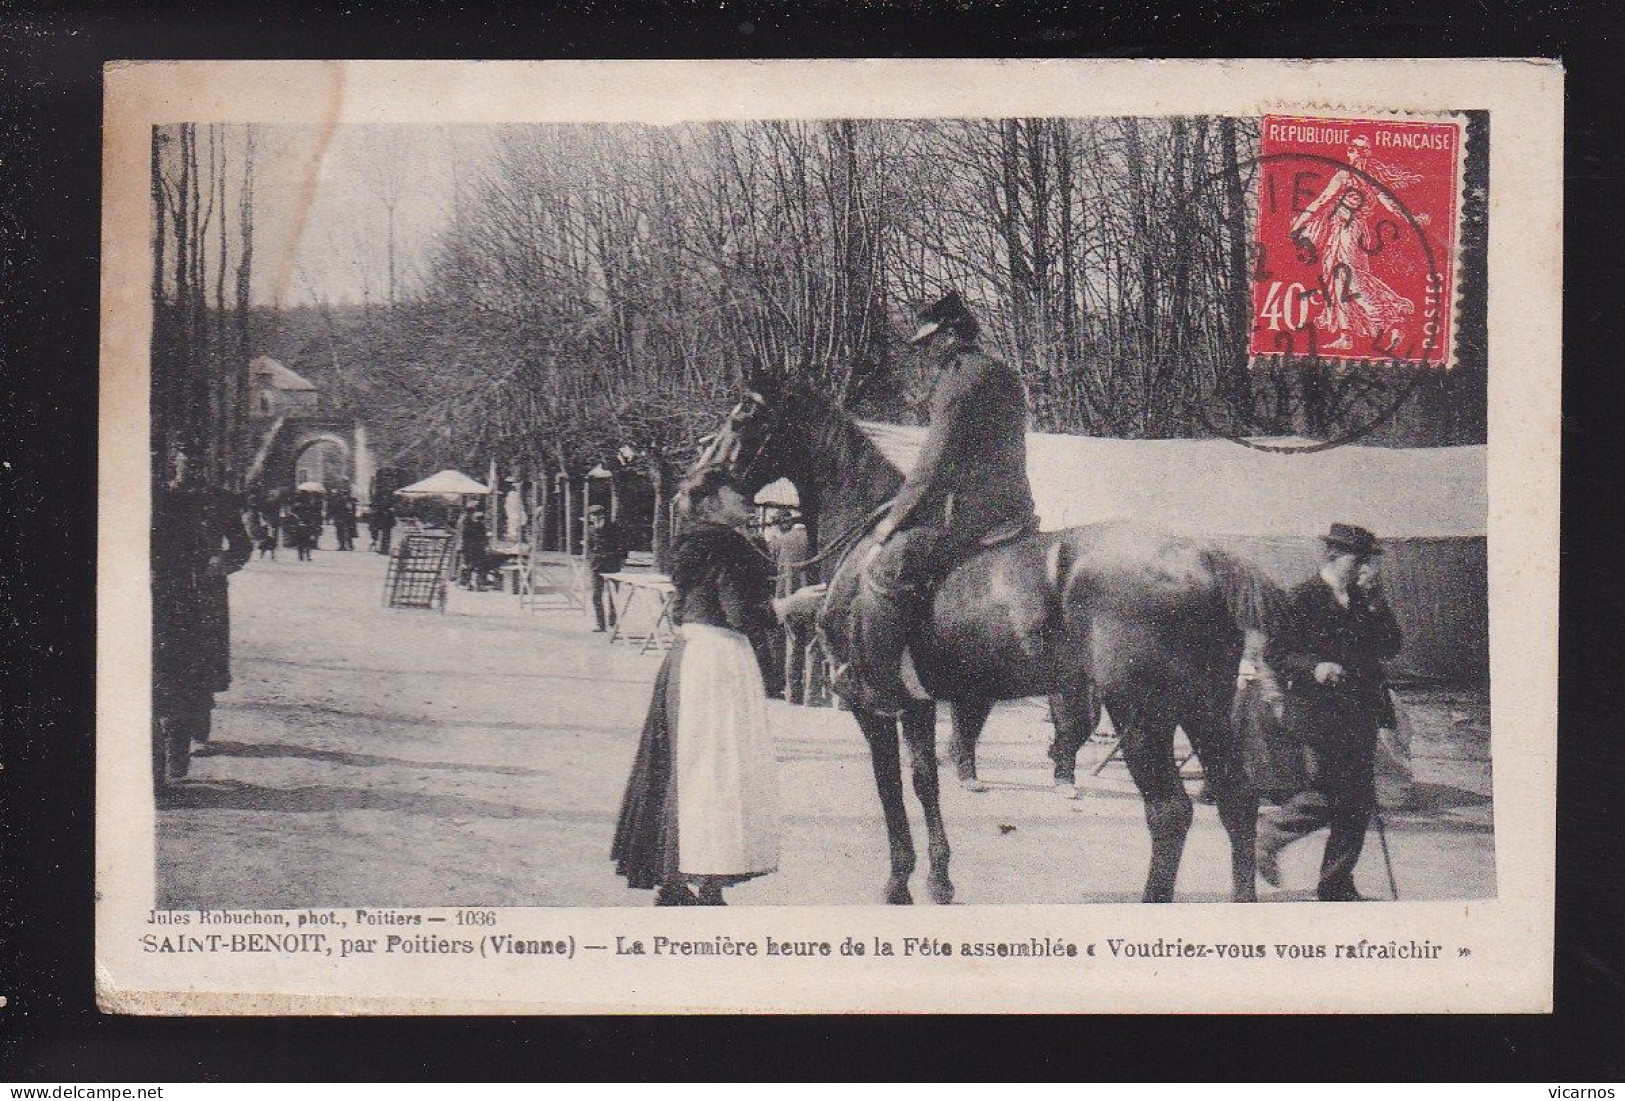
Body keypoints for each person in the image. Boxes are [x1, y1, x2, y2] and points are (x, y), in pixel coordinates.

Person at [611, 468, 824, 906]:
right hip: (720, 659)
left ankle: (674, 881)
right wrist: (793, 604)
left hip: (689, 654)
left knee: (684, 764)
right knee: (718, 768)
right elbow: (742, 614)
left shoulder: (691, 541)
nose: (745, 500)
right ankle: (707, 882)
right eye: (735, 495)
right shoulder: (726, 543)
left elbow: (687, 607)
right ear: (711, 503)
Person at [849, 289, 1038, 715]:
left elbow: (932, 465)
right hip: (1012, 505)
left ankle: (883, 685)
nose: (926, 350)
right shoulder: (1001, 373)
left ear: (952, 334)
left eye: (931, 339)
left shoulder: (958, 380)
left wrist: (890, 522)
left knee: (888, 564)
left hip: (970, 512)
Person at [1257, 523, 1403, 902]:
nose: (1363, 569)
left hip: (1361, 712)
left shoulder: (1363, 598)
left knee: (1355, 800)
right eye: (1358, 561)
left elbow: (1389, 646)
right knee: (1335, 792)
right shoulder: (1301, 598)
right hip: (1318, 713)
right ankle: (1269, 835)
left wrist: (1376, 602)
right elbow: (1276, 654)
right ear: (1334, 556)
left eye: (1368, 562)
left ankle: (1335, 882)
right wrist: (1315, 666)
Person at [151, 451, 252, 787]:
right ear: (172, 464)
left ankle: (189, 733)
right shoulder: (158, 499)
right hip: (164, 594)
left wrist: (222, 563)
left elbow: (241, 546)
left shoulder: (219, 501)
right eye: (185, 463)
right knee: (167, 670)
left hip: (205, 596)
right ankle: (170, 749)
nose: (191, 470)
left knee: (198, 666)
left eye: (197, 464)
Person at [1290, 136, 1426, 354]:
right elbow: (1391, 205)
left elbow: (1322, 201)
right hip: (1355, 234)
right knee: (1338, 282)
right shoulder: (1371, 180)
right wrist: (1413, 219)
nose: (1352, 153)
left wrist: (1298, 223)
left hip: (1346, 232)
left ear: (1355, 153)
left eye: (1354, 149)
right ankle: (1346, 336)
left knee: (1348, 281)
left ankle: (1389, 324)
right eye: (1353, 149)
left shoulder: (1344, 176)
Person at [769, 510, 812, 703]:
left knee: (793, 645)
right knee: (813, 645)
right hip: (811, 596)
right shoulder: (814, 538)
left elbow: (770, 565)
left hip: (787, 597)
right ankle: (812, 695)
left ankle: (793, 694)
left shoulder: (780, 541)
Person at [587, 504, 627, 632]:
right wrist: (591, 559)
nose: (593, 518)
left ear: (602, 516)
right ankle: (600, 624)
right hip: (597, 565)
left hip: (612, 564)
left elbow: (622, 544)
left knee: (613, 595)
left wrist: (622, 560)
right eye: (591, 516)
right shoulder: (591, 529)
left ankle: (613, 621)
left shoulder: (613, 528)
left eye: (595, 515)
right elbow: (589, 546)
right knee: (595, 595)